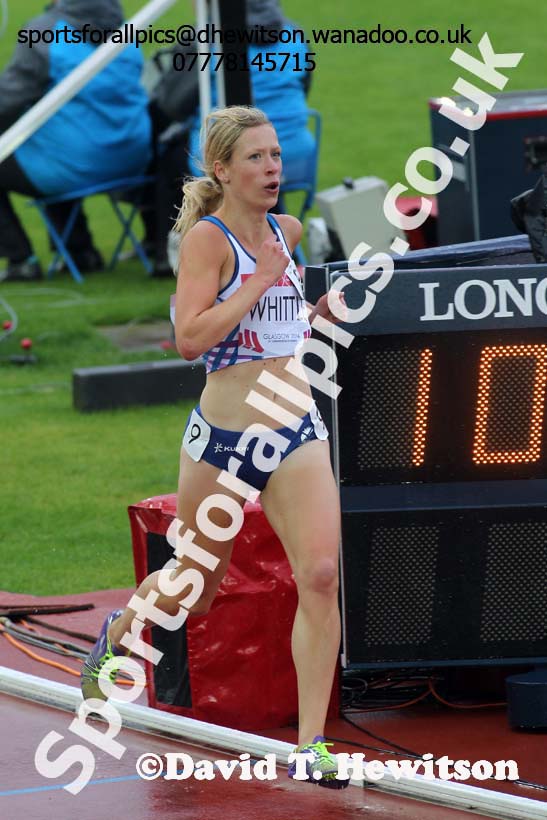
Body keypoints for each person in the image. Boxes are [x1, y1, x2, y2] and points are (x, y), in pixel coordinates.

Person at [81, 105, 348, 788]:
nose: (272, 169)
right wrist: (257, 280)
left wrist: (317, 315)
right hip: (223, 439)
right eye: (256, 158)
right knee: (195, 593)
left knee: (318, 575)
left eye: (277, 155)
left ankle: (313, 743)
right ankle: (119, 632)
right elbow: (191, 340)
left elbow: (280, 328)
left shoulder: (287, 231)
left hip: (293, 429)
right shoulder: (209, 241)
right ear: (222, 170)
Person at [148, 0, 315, 276]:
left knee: (169, 157)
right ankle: (274, 250)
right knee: (252, 158)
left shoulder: (205, 39)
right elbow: (303, 85)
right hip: (294, 153)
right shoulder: (293, 34)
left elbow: (172, 105)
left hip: (241, 159)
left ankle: (168, 255)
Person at [0, 0, 152, 282]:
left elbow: (9, 100)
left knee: (47, 147)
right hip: (133, 158)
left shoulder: (44, 31)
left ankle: (20, 258)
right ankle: (79, 251)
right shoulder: (130, 30)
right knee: (55, 138)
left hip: (74, 164)